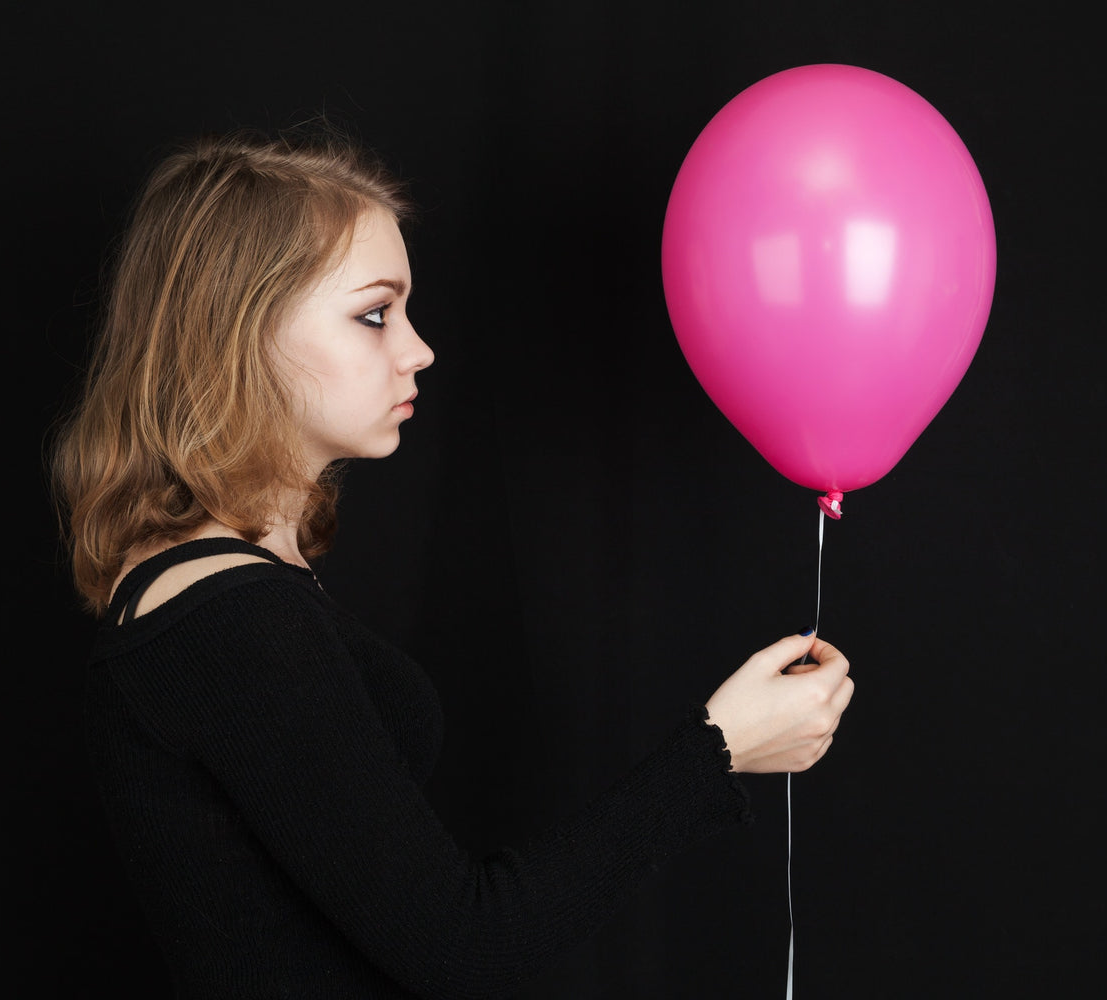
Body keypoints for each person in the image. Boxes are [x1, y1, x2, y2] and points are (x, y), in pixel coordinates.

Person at [49, 125, 854, 999]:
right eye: (373, 314)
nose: (418, 349)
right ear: (239, 334)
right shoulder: (231, 621)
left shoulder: (221, 588)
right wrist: (717, 750)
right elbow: (466, 944)